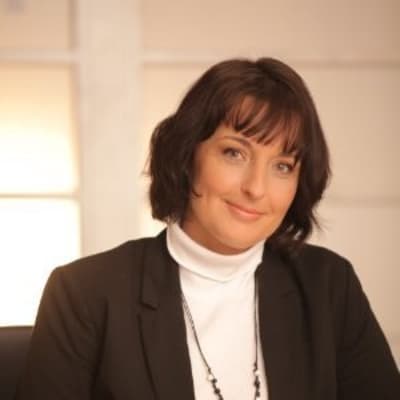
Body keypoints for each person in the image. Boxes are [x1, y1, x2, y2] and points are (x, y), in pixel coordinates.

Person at [17, 58, 400, 400]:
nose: (256, 188)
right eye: (235, 153)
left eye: (282, 166)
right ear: (187, 155)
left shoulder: (328, 286)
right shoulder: (85, 293)